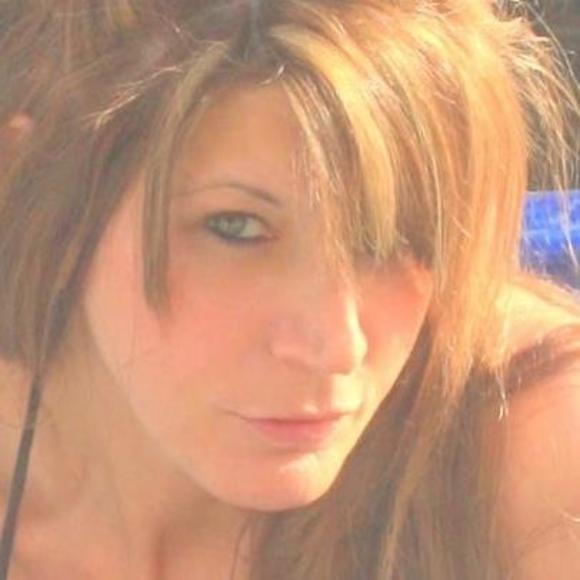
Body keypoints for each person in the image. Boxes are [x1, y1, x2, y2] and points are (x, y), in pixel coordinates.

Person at [0, 0, 579, 578]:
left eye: (397, 236)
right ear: (31, 190)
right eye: (236, 227)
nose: (338, 347)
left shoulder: (531, 449)